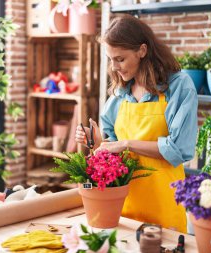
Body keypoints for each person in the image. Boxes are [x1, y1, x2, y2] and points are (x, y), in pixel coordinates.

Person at [75, 14, 198, 233]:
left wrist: (126, 144)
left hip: (163, 204)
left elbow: (179, 149)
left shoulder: (178, 87)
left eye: (120, 59)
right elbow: (111, 149)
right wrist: (96, 140)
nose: (114, 67)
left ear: (142, 51)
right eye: (110, 59)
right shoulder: (119, 95)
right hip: (122, 207)